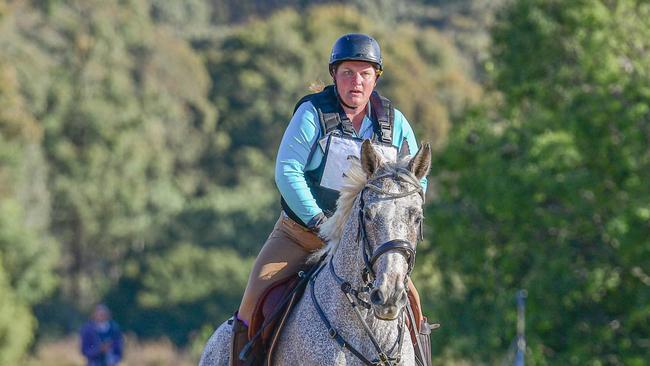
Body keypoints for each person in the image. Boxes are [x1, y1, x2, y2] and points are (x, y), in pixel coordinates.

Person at [230, 33, 428, 365]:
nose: (356, 81)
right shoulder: (312, 113)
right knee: (255, 297)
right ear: (334, 74)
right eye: (348, 72)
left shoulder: (395, 124)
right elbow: (287, 170)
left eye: (365, 73)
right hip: (302, 234)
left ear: (375, 78)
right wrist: (319, 222)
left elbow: (414, 178)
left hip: (368, 242)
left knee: (414, 305)